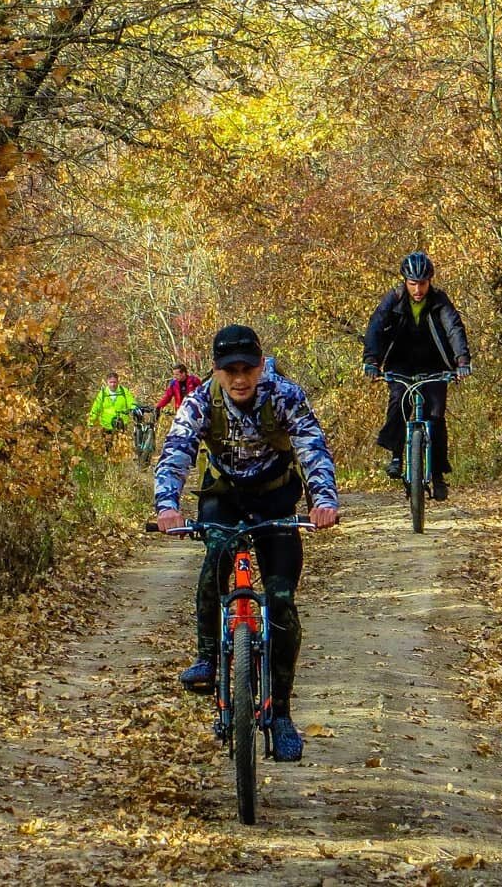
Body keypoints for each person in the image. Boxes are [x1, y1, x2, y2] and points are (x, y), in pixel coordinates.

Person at [153, 324, 339, 763]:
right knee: (215, 556)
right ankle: (207, 657)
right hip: (224, 496)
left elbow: (312, 448)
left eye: (248, 368)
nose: (240, 378)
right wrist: (167, 505)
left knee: (281, 601)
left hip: (276, 497)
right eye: (230, 370)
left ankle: (281, 715)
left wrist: (324, 501)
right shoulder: (199, 402)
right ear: (216, 371)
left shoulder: (285, 395)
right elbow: (177, 451)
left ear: (260, 365)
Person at [362, 251, 471, 501]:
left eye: (422, 283)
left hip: (434, 364)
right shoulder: (395, 299)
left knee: (436, 415)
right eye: (413, 283)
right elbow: (376, 327)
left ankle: (438, 475)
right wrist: (371, 360)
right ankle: (397, 455)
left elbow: (454, 328)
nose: (418, 289)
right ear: (405, 281)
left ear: (430, 281)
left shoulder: (439, 300)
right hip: (401, 363)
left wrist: (462, 361)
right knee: (399, 401)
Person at [87, 370, 136, 451]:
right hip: (106, 426)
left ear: (118, 382)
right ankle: (109, 461)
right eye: (111, 382)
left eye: (115, 382)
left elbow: (131, 402)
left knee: (121, 447)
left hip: (121, 424)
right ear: (107, 382)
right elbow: (95, 408)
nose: (113, 384)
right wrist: (90, 422)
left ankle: (120, 462)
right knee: (108, 447)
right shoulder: (102, 393)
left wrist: (134, 408)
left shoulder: (124, 391)